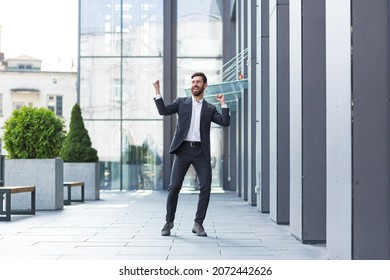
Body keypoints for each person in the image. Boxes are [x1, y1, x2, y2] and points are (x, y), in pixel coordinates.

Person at [153, 72, 230, 237]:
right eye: (193, 81)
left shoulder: (209, 108)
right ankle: (169, 222)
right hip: (183, 150)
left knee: (206, 187)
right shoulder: (181, 102)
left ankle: (198, 223)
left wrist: (223, 103)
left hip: (201, 152)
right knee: (174, 187)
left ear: (205, 85)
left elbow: (225, 122)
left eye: (198, 82)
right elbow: (163, 111)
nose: (195, 84)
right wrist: (157, 90)